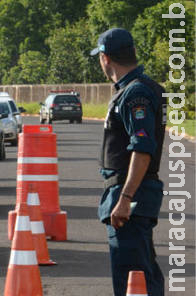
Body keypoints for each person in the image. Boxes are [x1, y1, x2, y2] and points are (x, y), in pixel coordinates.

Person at [90, 28, 166, 296]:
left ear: (105, 58)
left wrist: (125, 198)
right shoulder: (135, 90)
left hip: (132, 194)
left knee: (134, 276)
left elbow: (142, 149)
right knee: (141, 273)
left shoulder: (136, 94)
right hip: (131, 193)